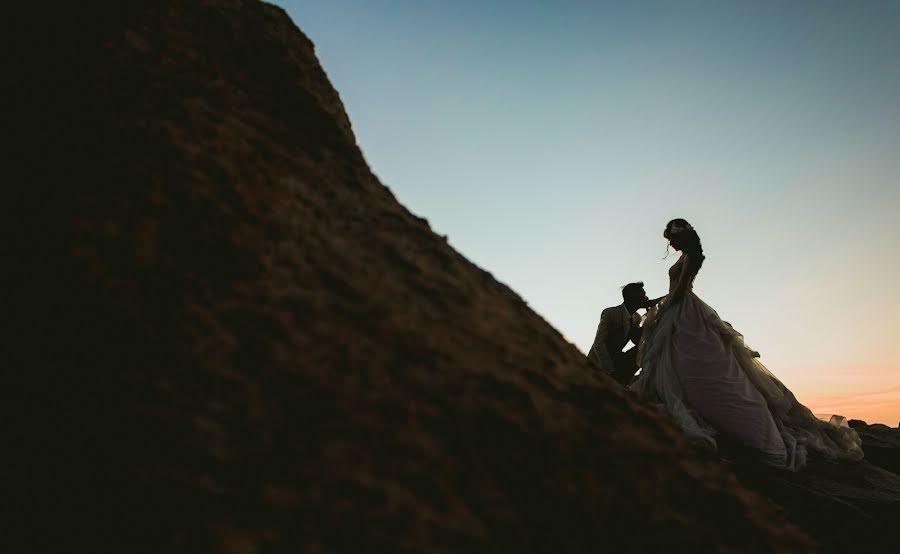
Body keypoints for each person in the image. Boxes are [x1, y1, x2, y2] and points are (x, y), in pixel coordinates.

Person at [631, 219, 863, 470]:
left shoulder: (693, 256)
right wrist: (657, 302)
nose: (670, 243)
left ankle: (747, 429)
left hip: (684, 311)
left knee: (703, 364)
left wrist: (663, 307)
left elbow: (681, 290)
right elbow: (674, 289)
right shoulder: (684, 256)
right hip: (677, 310)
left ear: (682, 237)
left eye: (672, 238)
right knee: (677, 362)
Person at [587, 282, 655, 385]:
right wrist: (610, 371)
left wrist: (650, 318)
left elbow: (637, 341)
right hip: (598, 364)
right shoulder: (610, 313)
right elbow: (599, 344)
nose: (646, 297)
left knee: (644, 347)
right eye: (643, 294)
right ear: (633, 297)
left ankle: (625, 381)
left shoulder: (636, 318)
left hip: (617, 360)